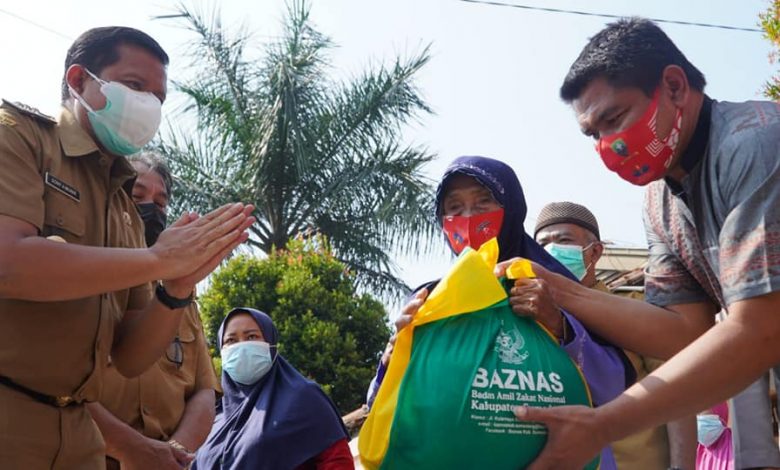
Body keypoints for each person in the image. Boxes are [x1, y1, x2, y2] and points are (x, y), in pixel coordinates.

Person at [498, 17, 780, 469]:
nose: (608, 146)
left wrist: (602, 426)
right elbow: (683, 332)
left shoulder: (755, 144)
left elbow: (761, 329)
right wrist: (561, 289)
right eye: (594, 134)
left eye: (614, 119)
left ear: (674, 86)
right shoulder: (659, 200)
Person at [0, 26, 253, 468]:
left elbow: (129, 357)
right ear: (79, 81)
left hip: (79, 436)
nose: (148, 106)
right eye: (135, 86)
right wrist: (157, 259)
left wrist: (175, 289)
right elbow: (9, 263)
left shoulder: (122, 205)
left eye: (158, 98)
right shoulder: (19, 137)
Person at [368, 156, 634, 469]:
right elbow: (381, 407)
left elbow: (614, 390)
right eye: (455, 208)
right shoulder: (429, 301)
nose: (469, 217)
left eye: (483, 202)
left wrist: (558, 325)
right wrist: (393, 356)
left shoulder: (554, 287)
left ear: (512, 210)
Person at [533, 201, 696, 470]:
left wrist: (682, 466)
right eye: (542, 245)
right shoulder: (532, 317)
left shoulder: (637, 310)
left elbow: (677, 390)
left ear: (595, 251)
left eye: (564, 240)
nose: (551, 251)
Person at [87, 153, 220, 470]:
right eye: (137, 197)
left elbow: (204, 391)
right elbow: (59, 383)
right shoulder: (84, 277)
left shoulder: (180, 292)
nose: (150, 209)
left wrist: (171, 452)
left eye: (160, 203)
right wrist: (133, 450)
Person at [193, 308, 353, 470]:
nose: (242, 346)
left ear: (271, 344)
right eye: (231, 340)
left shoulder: (303, 397)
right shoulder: (212, 415)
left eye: (251, 336)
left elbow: (337, 461)